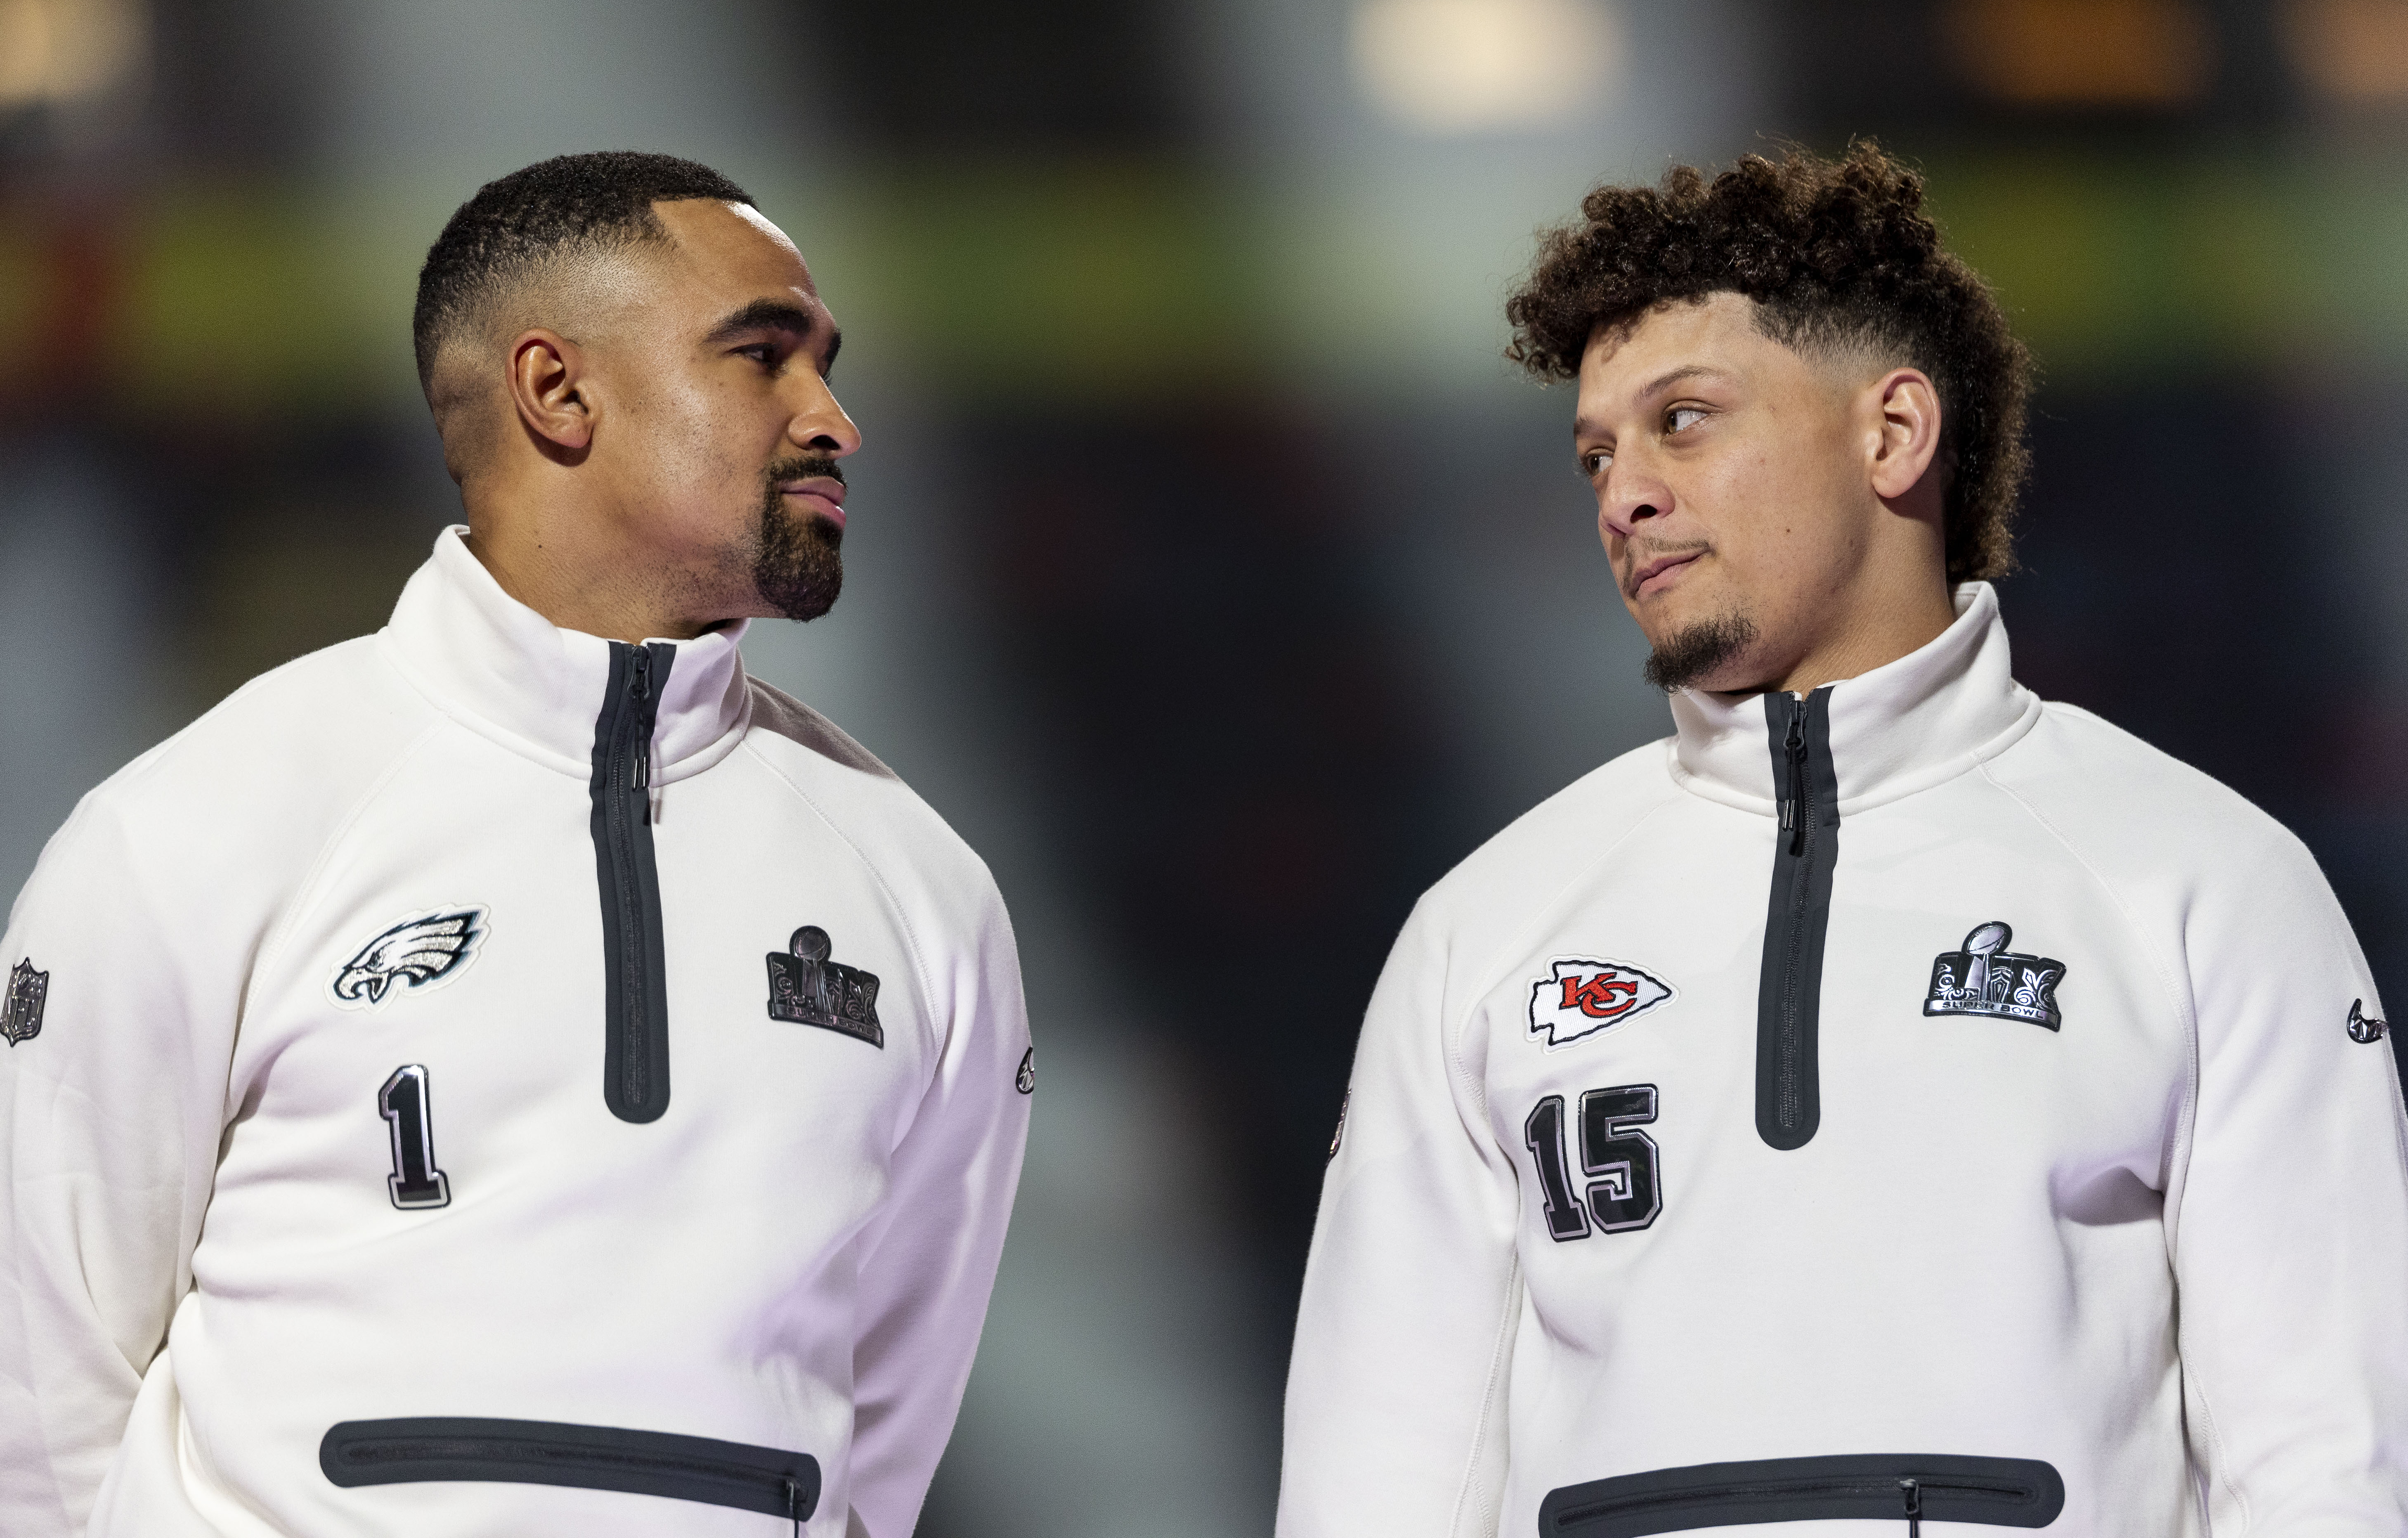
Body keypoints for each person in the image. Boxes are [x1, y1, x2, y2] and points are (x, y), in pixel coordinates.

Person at [1276, 143, 2408, 1535]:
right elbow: (1375, 1466)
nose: (1620, 493)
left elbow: (2330, 1459)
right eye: (1595, 452)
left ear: (1891, 434)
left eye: (1681, 420)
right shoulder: (1484, 927)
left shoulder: (2201, 882)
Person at [0, 152, 1032, 1538]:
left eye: (824, 366)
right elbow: (33, 1405)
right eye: (762, 357)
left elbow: (878, 1450)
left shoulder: (921, 891)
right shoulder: (199, 826)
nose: (834, 419)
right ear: (557, 391)